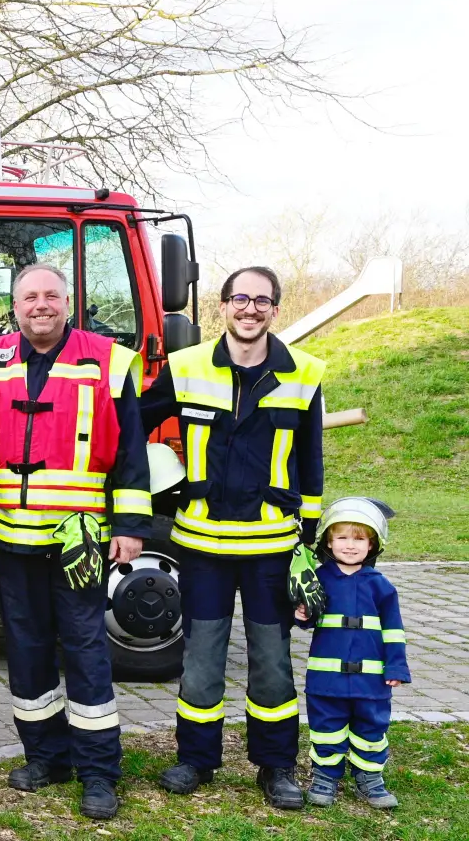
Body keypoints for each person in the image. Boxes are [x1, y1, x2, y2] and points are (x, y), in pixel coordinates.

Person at [0, 263, 150, 821]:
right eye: (30, 297)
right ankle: (46, 757)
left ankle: (99, 772)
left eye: (51, 295)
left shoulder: (110, 360)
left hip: (79, 537)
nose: (41, 305)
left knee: (86, 652)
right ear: (15, 305)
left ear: (70, 303)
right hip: (10, 535)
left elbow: (132, 454)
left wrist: (129, 527)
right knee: (25, 651)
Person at [140, 266, 324, 810]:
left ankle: (275, 767)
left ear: (275, 309)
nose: (250, 309)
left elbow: (310, 466)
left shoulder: (304, 374)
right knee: (200, 661)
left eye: (261, 301)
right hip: (201, 546)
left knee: (272, 662)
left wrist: (306, 547)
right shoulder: (187, 366)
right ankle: (195, 760)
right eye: (240, 298)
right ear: (222, 306)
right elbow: (131, 420)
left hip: (271, 548)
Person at [294, 497, 408, 809]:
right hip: (326, 680)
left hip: (371, 682)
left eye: (359, 538)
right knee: (326, 728)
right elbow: (308, 618)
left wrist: (396, 667)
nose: (350, 545)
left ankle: (369, 778)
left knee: (371, 729)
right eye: (342, 537)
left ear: (373, 544)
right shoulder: (316, 578)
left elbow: (394, 631)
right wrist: (302, 614)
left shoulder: (381, 586)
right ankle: (325, 776)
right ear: (328, 541)